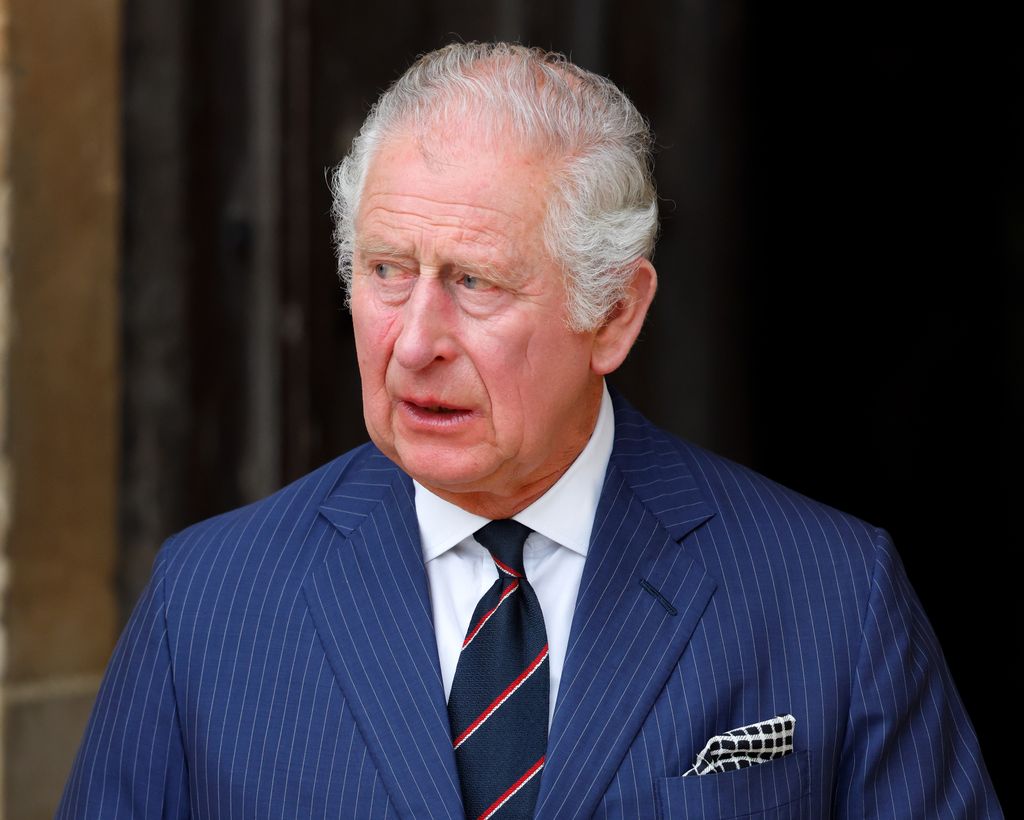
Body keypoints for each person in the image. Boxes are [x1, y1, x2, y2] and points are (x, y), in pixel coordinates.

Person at [59, 42, 1000, 818]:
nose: (414, 342)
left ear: (615, 314)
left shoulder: (833, 594)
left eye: (474, 282)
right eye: (386, 270)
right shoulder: (207, 602)